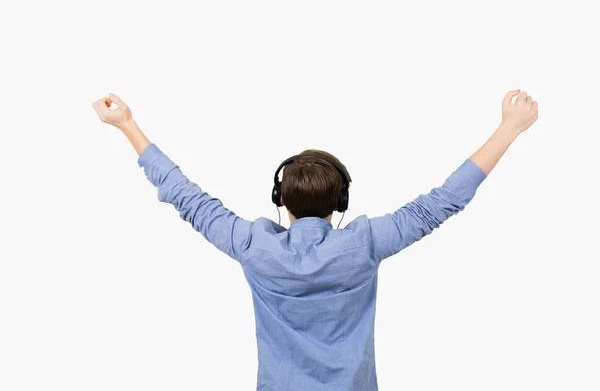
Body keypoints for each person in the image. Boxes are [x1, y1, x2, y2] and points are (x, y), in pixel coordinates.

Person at [91, 89, 539, 391]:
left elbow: (185, 196)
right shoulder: (363, 244)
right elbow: (442, 202)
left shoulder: (252, 245)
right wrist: (509, 128)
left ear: (279, 199)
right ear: (340, 201)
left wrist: (128, 124)